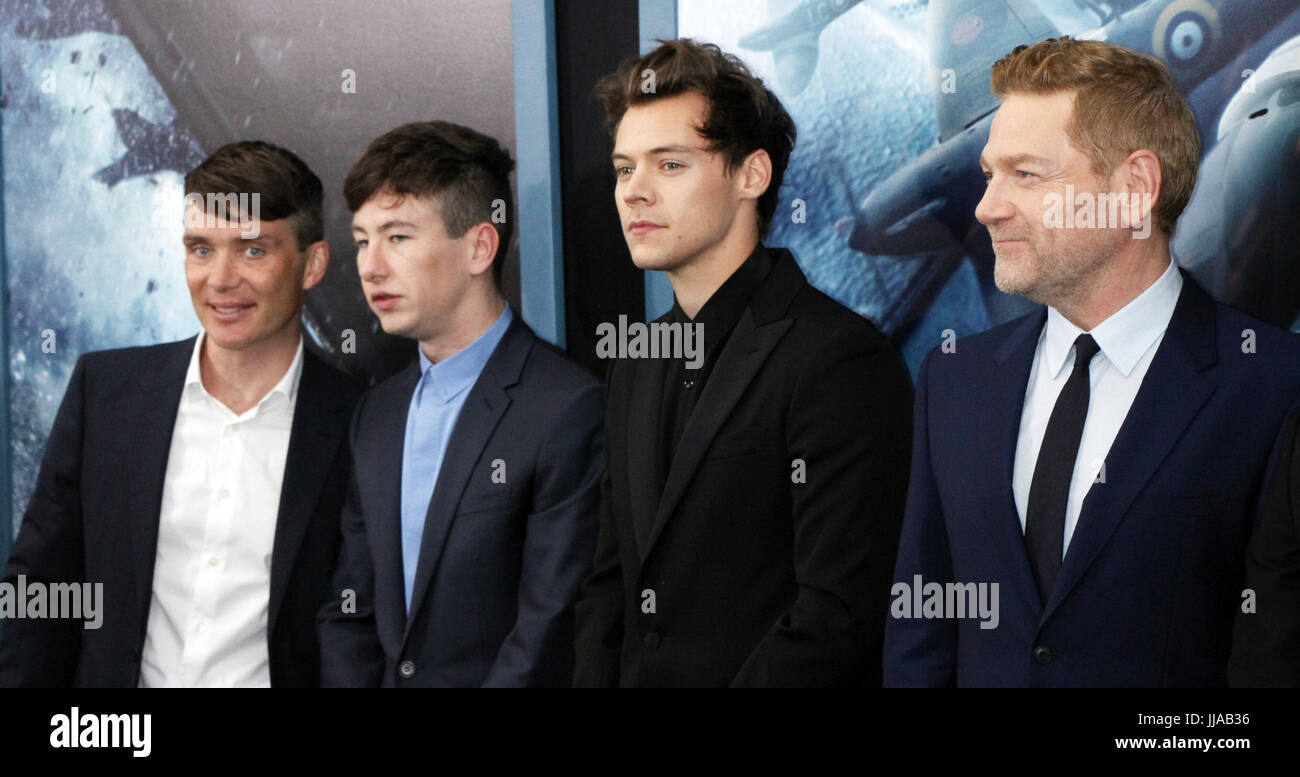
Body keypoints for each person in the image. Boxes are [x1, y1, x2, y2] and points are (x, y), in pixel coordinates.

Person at [884, 37, 1300, 687]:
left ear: (1135, 188)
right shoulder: (954, 380)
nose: (987, 206)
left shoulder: (1276, 388)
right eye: (992, 173)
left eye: (1025, 174)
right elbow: (923, 634)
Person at [572, 39, 913, 687]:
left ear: (751, 175)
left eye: (668, 165)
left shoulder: (839, 359)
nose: (634, 193)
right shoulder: (635, 360)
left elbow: (836, 615)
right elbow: (609, 585)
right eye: (623, 169)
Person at [0, 141, 361, 687]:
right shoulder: (106, 394)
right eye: (200, 249)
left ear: (312, 264)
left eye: (252, 251)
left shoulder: (362, 425)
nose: (219, 279)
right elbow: (41, 589)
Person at [317, 121, 603, 687]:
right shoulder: (376, 415)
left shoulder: (565, 408)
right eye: (362, 240)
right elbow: (349, 610)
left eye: (397, 237)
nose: (370, 266)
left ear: (479, 246)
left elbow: (547, 628)